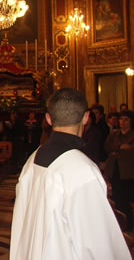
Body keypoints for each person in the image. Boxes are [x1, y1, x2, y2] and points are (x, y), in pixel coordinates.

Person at [10, 88, 130, 260]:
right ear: (86, 117)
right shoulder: (82, 170)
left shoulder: (32, 159)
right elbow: (99, 246)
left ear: (48, 119)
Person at [104, 110, 134, 232]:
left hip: (128, 172)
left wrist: (118, 151)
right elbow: (107, 147)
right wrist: (120, 148)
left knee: (126, 199)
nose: (122, 122)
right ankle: (119, 225)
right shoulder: (114, 134)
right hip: (114, 170)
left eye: (126, 119)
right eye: (121, 119)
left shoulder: (132, 135)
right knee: (116, 198)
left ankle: (128, 225)